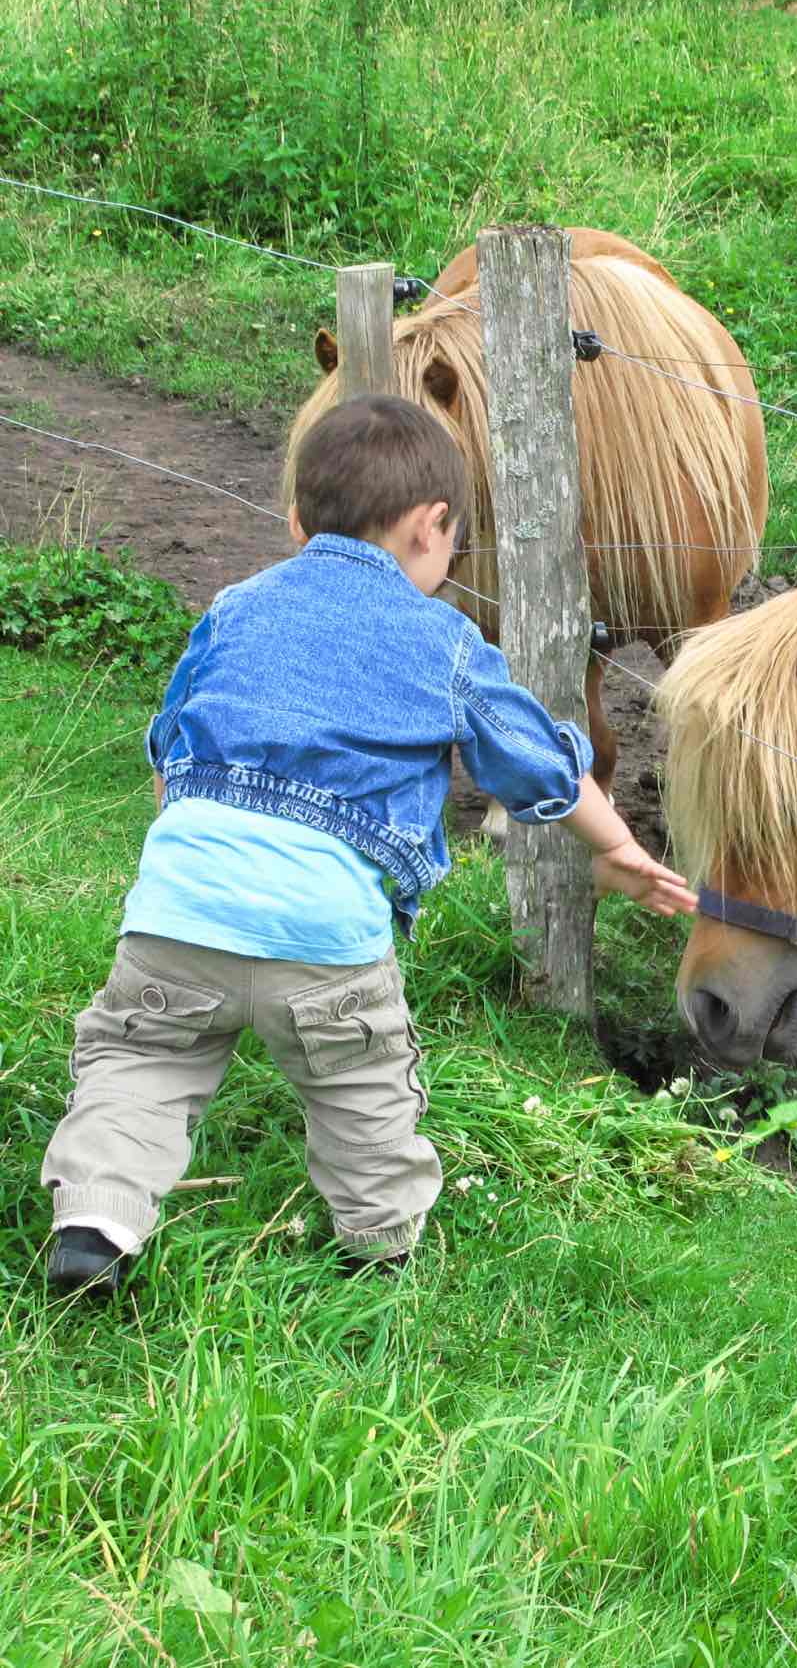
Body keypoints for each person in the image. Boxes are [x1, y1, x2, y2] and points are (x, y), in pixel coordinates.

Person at [42, 393, 696, 1295]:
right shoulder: (446, 642)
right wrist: (615, 846)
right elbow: (537, 768)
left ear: (296, 519)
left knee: (140, 1064)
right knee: (362, 1091)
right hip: (327, 936)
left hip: (180, 909)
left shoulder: (237, 607)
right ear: (435, 527)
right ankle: (377, 1249)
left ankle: (96, 1222)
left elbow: (172, 743)